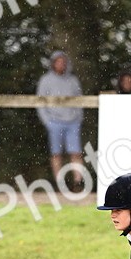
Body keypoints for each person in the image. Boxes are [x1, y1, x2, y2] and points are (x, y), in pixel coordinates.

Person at [36, 50, 84, 189]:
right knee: (56, 153)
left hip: (73, 122)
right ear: (53, 64)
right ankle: (59, 183)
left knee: (75, 152)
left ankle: (78, 182)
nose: (61, 64)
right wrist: (47, 121)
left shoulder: (73, 80)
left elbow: (80, 100)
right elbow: (40, 102)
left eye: (63, 62)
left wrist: (78, 118)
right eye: (58, 62)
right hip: (54, 122)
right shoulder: (46, 80)